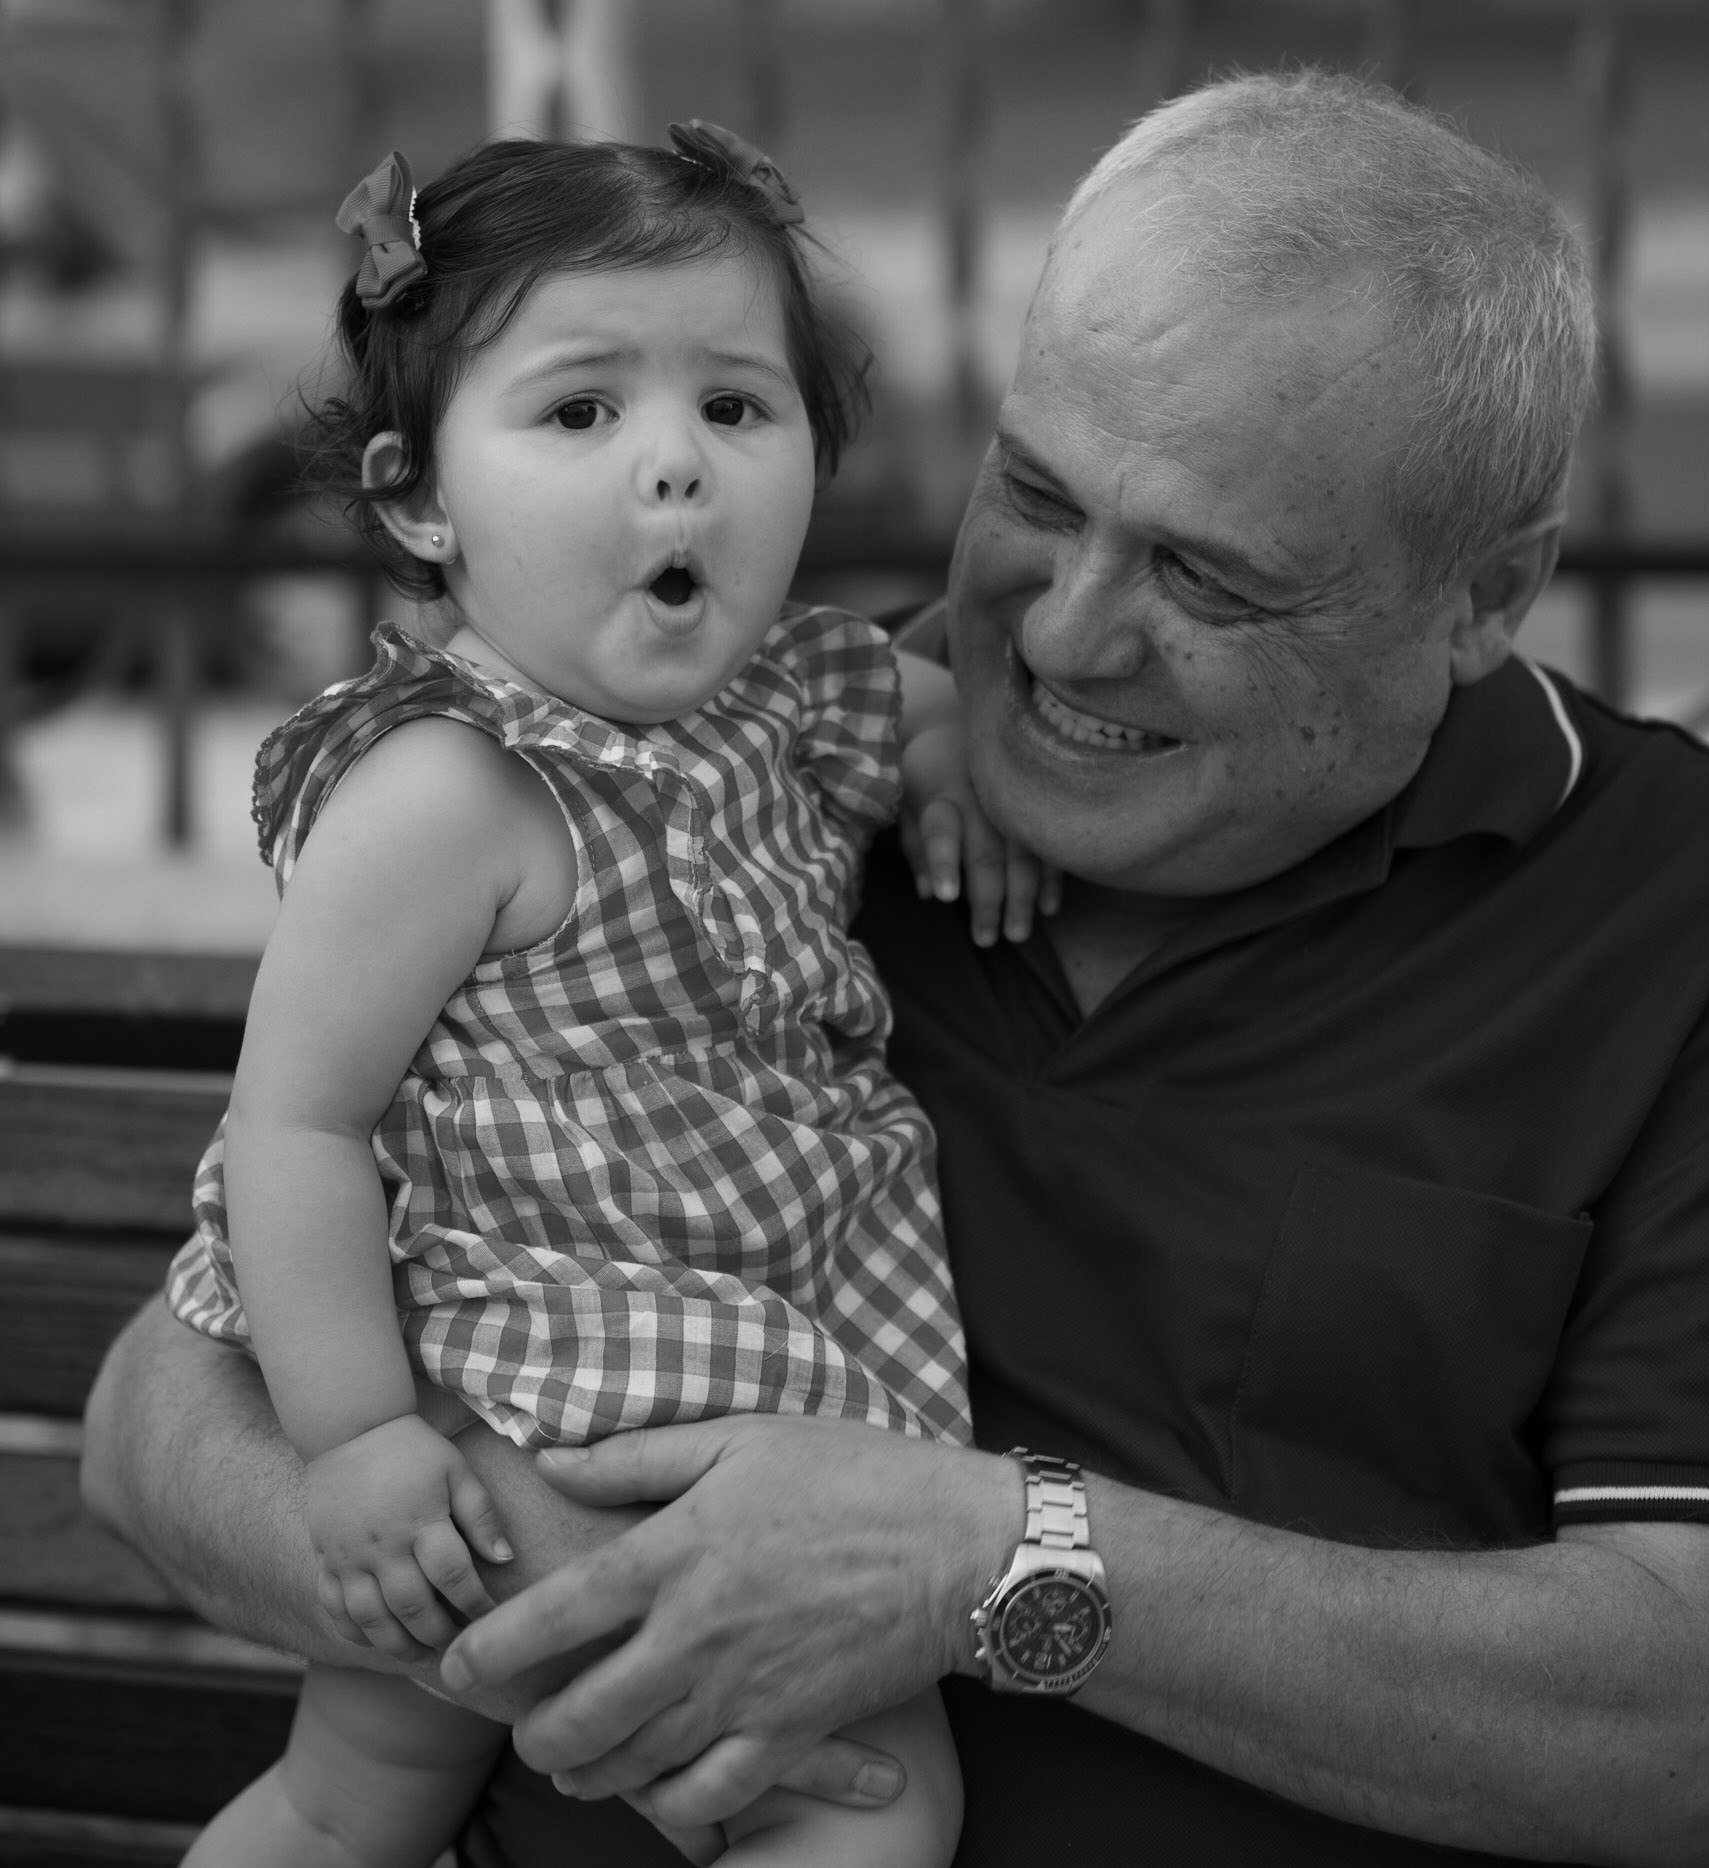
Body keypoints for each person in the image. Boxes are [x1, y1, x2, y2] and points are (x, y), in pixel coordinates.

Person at [83, 69, 1709, 1867]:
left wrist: (991, 1562)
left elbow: (1681, 1723)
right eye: (1036, 494)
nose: (1065, 639)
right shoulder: (743, 757)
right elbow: (160, 1415)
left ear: (1483, 598)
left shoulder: (1658, 923)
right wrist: (543, 1579)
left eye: (1208, 580)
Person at [158, 124, 1033, 1868]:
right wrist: (357, 1444)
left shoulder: (786, 693)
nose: (675, 465)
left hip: (703, 1364)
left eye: (735, 406)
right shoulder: (448, 790)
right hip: (528, 1390)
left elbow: (922, 702)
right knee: (870, 1802)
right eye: (578, 412)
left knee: (363, 1797)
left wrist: (949, 778)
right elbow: (297, 1126)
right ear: (420, 499)